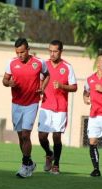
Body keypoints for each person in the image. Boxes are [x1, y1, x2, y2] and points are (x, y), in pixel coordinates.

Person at [2, 38, 49, 178]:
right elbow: (4, 80)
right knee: (20, 137)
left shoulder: (39, 62)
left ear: (28, 50)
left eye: (22, 52)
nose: (20, 55)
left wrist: (42, 87)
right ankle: (29, 163)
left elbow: (47, 75)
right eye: (17, 53)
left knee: (25, 134)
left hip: (32, 103)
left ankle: (24, 165)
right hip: (16, 103)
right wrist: (8, 83)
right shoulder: (11, 63)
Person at [38, 40, 77, 175]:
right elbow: (41, 80)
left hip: (60, 107)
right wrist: (41, 89)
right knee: (42, 136)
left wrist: (62, 86)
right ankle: (49, 154)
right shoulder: (45, 65)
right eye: (50, 51)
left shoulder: (67, 67)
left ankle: (56, 165)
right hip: (46, 105)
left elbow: (74, 87)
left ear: (61, 51)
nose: (52, 54)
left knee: (56, 136)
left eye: (55, 51)